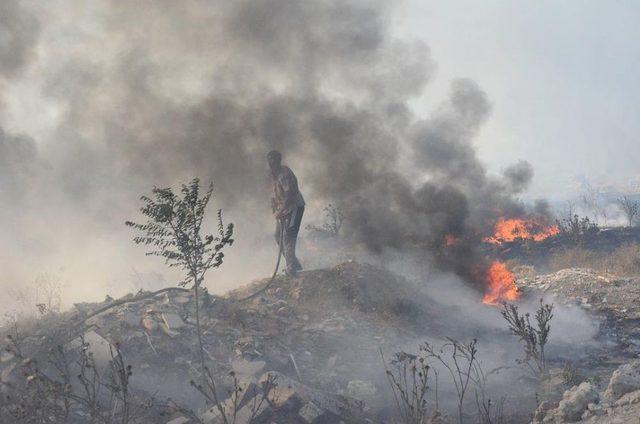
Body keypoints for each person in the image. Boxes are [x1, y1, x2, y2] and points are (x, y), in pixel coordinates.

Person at [268, 150, 305, 276]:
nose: (271, 163)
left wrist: (280, 211)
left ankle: (291, 269)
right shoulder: (274, 175)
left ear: (279, 161)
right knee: (278, 236)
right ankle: (294, 263)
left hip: (294, 208)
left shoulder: (284, 174)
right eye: (270, 161)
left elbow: (289, 195)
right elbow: (276, 194)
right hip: (284, 210)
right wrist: (274, 205)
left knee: (288, 236)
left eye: (274, 160)